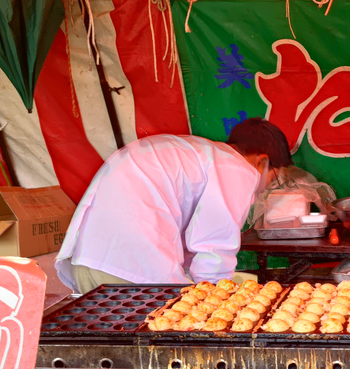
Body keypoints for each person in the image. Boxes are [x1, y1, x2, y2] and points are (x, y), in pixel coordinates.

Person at [55, 118, 292, 293]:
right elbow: (215, 249)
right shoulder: (236, 167)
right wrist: (219, 298)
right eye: (275, 176)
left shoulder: (196, 153)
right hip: (133, 271)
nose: (268, 186)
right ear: (262, 162)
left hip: (88, 261)